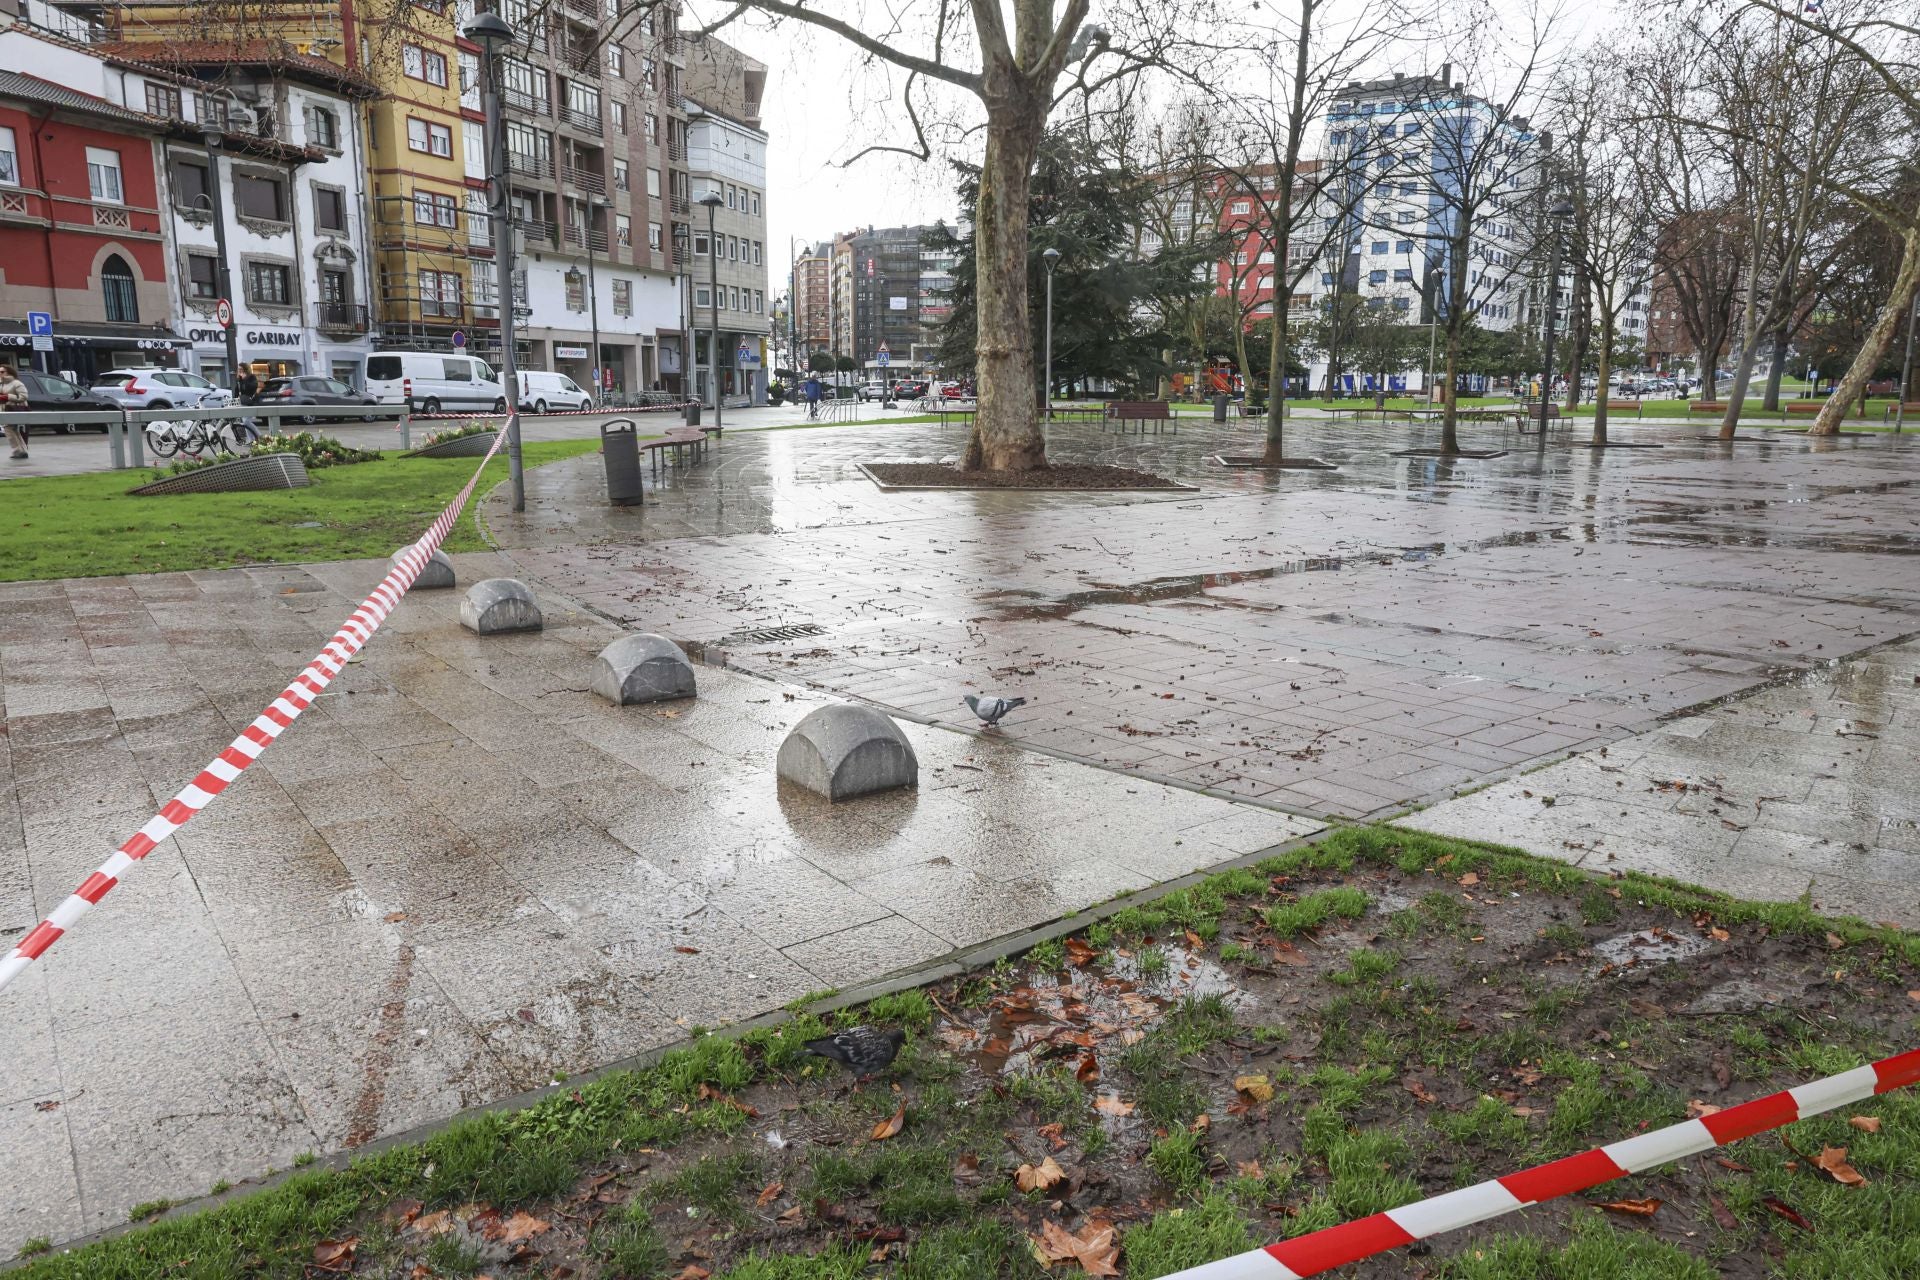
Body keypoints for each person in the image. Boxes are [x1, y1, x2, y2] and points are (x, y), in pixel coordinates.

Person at [1, 364, 29, 459]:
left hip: (15, 409)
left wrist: (7, 397)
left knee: (10, 430)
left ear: (9, 372)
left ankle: (18, 450)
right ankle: (22, 450)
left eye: (2, 372)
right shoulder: (1, 383)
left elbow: (23, 397)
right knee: (12, 430)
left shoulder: (16, 383)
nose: (0, 374)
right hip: (5, 409)